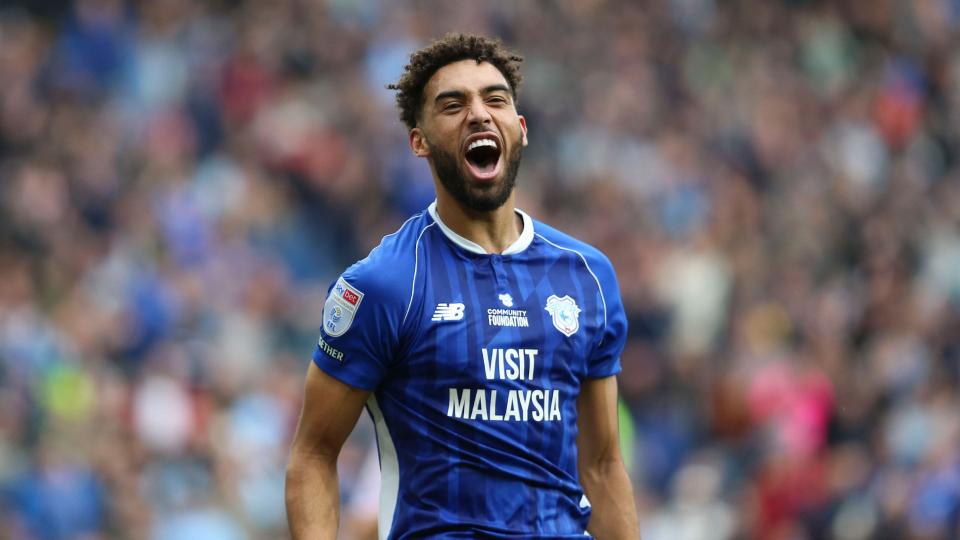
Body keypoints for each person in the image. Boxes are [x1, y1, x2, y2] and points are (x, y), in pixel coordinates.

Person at [285, 33, 640, 539]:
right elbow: (313, 455)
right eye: (453, 105)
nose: (478, 114)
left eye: (495, 99)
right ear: (419, 140)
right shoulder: (385, 284)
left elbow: (602, 467)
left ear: (519, 128)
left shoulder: (587, 275)